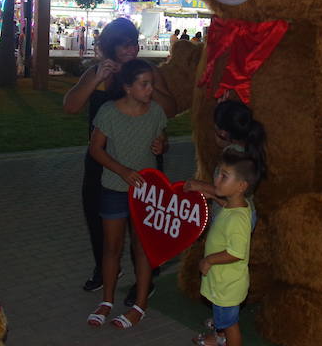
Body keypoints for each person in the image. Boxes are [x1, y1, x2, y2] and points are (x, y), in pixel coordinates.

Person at [63, 18, 175, 304]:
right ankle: (105, 269)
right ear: (111, 46)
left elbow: (168, 109)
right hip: (104, 161)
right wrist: (97, 79)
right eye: (126, 44)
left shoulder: (145, 72)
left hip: (142, 162)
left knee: (143, 224)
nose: (132, 49)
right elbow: (71, 107)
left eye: (134, 43)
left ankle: (145, 278)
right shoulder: (98, 74)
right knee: (97, 217)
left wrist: (162, 138)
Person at [85, 59, 168, 330]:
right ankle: (107, 300)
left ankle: (140, 304)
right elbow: (96, 149)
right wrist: (121, 170)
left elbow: (161, 139)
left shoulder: (156, 112)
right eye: (144, 84)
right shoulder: (109, 112)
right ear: (128, 87)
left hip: (146, 192)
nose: (150, 90)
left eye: (151, 84)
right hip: (114, 187)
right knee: (112, 248)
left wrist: (160, 144)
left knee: (142, 249)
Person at [189, 107, 266, 346]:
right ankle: (221, 329)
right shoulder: (234, 207)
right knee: (225, 317)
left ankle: (222, 336)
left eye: (223, 176)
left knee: (231, 326)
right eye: (218, 174)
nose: (215, 180)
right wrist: (216, 197)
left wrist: (209, 260)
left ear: (241, 186)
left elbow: (235, 252)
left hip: (227, 284)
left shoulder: (237, 218)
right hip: (224, 282)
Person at [185, 100, 267, 231]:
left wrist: (200, 185)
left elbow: (228, 190)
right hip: (238, 213)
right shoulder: (246, 149)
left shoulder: (232, 156)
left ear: (222, 133)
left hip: (234, 219)